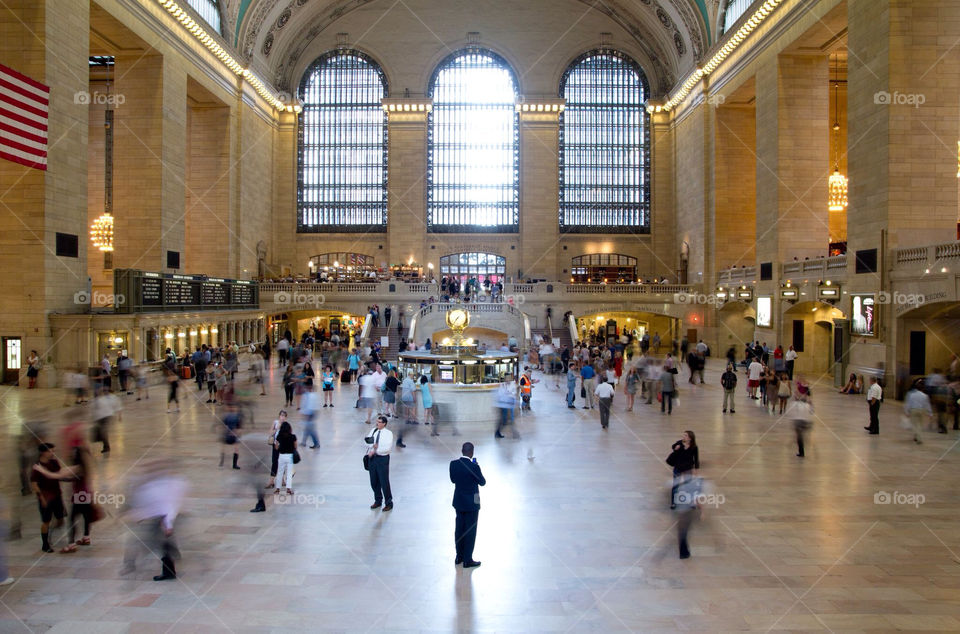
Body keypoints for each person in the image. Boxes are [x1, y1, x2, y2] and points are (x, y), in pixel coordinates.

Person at [32, 428, 96, 552]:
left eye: (73, 453)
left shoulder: (76, 467)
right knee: (86, 516)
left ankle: (71, 545)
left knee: (72, 519)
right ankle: (86, 537)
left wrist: (41, 470)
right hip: (86, 493)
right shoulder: (84, 465)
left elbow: (56, 475)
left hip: (79, 495)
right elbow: (66, 477)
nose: (71, 454)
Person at [121, 461, 187, 581]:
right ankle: (170, 564)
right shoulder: (156, 485)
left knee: (158, 543)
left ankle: (169, 570)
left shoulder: (160, 486)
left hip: (163, 519)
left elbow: (165, 505)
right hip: (160, 518)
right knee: (162, 543)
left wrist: (168, 524)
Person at [450, 442, 485, 569]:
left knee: (459, 529)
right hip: (472, 502)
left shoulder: (453, 464)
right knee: (470, 530)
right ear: (472, 452)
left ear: (462, 451)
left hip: (459, 501)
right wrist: (477, 467)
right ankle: (467, 559)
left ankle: (458, 556)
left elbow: (453, 480)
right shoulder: (474, 467)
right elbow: (482, 482)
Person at [30, 443, 65, 553]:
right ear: (43, 452)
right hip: (46, 497)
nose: (53, 453)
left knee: (61, 519)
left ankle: (50, 532)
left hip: (57, 495)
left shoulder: (54, 462)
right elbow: (34, 484)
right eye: (51, 451)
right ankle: (45, 544)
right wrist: (42, 498)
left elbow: (60, 474)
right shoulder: (37, 466)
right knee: (46, 521)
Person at [365, 415, 393, 511]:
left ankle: (389, 502)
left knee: (384, 481)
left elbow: (387, 448)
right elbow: (366, 442)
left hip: (382, 459)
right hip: (372, 459)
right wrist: (373, 446)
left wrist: (376, 450)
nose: (377, 423)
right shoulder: (373, 431)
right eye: (377, 421)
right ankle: (378, 500)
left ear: (384, 423)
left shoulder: (388, 433)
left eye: (379, 422)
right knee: (374, 481)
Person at [667, 431, 699, 511]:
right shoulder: (679, 443)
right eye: (683, 435)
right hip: (678, 468)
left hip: (688, 469)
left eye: (685, 435)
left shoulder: (694, 447)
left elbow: (696, 459)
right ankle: (673, 503)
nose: (683, 436)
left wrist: (696, 469)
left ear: (690, 438)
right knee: (675, 486)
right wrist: (675, 448)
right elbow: (673, 446)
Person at [904, 379, 932, 444]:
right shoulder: (925, 396)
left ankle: (917, 436)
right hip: (921, 410)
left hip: (913, 410)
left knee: (914, 424)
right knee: (920, 424)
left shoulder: (912, 395)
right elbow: (927, 404)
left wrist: (907, 412)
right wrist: (930, 413)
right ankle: (918, 436)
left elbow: (908, 403)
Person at [273, 421, 297, 495]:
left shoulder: (279, 436)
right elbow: (295, 446)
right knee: (289, 473)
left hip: (282, 456)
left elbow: (276, 447)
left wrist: (280, 448)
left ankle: (277, 489)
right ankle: (288, 489)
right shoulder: (293, 436)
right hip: (289, 456)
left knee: (280, 472)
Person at [265, 410, 287, 490]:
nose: (282, 417)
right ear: (279, 416)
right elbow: (270, 433)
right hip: (275, 445)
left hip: (283, 446)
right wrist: (276, 429)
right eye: (281, 415)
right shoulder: (275, 423)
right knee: (274, 462)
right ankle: (271, 481)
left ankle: (282, 479)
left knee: (282, 463)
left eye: (284, 416)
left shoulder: (286, 425)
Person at [219, 403, 243, 470]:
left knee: (226, 448)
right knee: (235, 449)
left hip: (229, 434)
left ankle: (223, 462)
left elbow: (223, 426)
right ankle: (233, 464)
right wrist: (235, 432)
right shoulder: (236, 416)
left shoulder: (227, 416)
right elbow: (239, 427)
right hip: (232, 434)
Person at [791, 388, 813, 457]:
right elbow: (811, 412)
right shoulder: (807, 405)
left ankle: (801, 452)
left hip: (799, 422)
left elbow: (792, 413)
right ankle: (802, 450)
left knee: (799, 438)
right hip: (805, 422)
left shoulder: (795, 404)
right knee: (800, 437)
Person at [300, 384, 320, 449]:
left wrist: (305, 414)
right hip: (311, 414)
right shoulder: (311, 395)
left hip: (310, 414)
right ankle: (303, 442)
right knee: (307, 429)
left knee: (310, 430)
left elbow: (309, 406)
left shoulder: (310, 396)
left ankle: (316, 443)